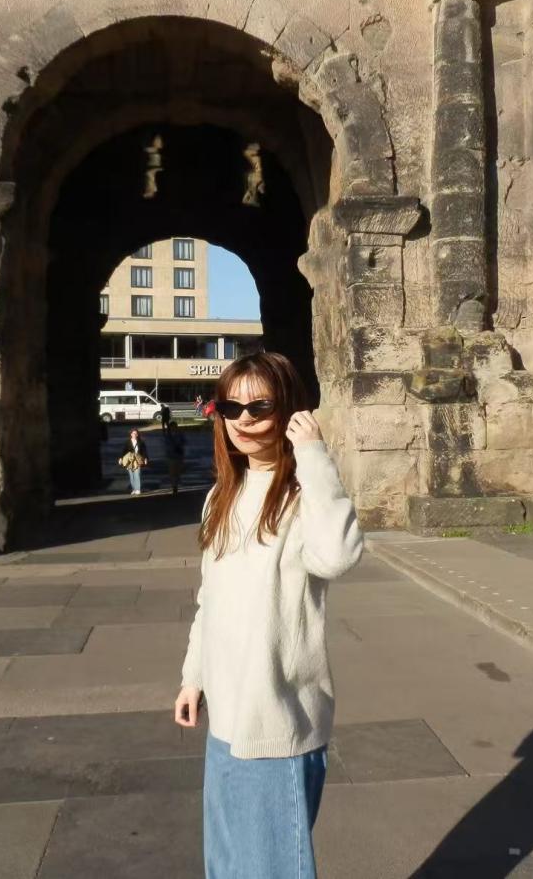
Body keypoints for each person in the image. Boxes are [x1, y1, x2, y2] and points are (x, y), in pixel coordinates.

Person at [175, 352, 363, 879]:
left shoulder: (303, 496)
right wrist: (193, 677)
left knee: (267, 869)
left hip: (277, 719)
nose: (243, 419)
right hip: (227, 716)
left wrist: (313, 454)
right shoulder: (221, 496)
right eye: (230, 407)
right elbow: (210, 600)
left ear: (289, 410)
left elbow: (338, 556)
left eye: (260, 406)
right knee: (227, 866)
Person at [118, 428, 149, 495]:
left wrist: (145, 458)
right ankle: (134, 489)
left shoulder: (141, 442)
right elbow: (124, 451)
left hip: (138, 459)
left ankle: (138, 489)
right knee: (131, 475)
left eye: (135, 433)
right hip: (130, 460)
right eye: (133, 433)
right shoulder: (127, 442)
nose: (134, 435)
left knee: (137, 474)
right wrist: (121, 458)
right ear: (131, 434)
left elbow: (144, 451)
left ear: (137, 434)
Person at [164, 420, 186, 495]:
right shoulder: (168, 435)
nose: (173, 428)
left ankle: (176, 484)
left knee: (178, 472)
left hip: (179, 456)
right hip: (171, 456)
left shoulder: (180, 434)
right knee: (172, 473)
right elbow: (166, 445)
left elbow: (184, 442)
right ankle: (174, 486)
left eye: (174, 427)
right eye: (172, 427)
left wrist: (179, 445)